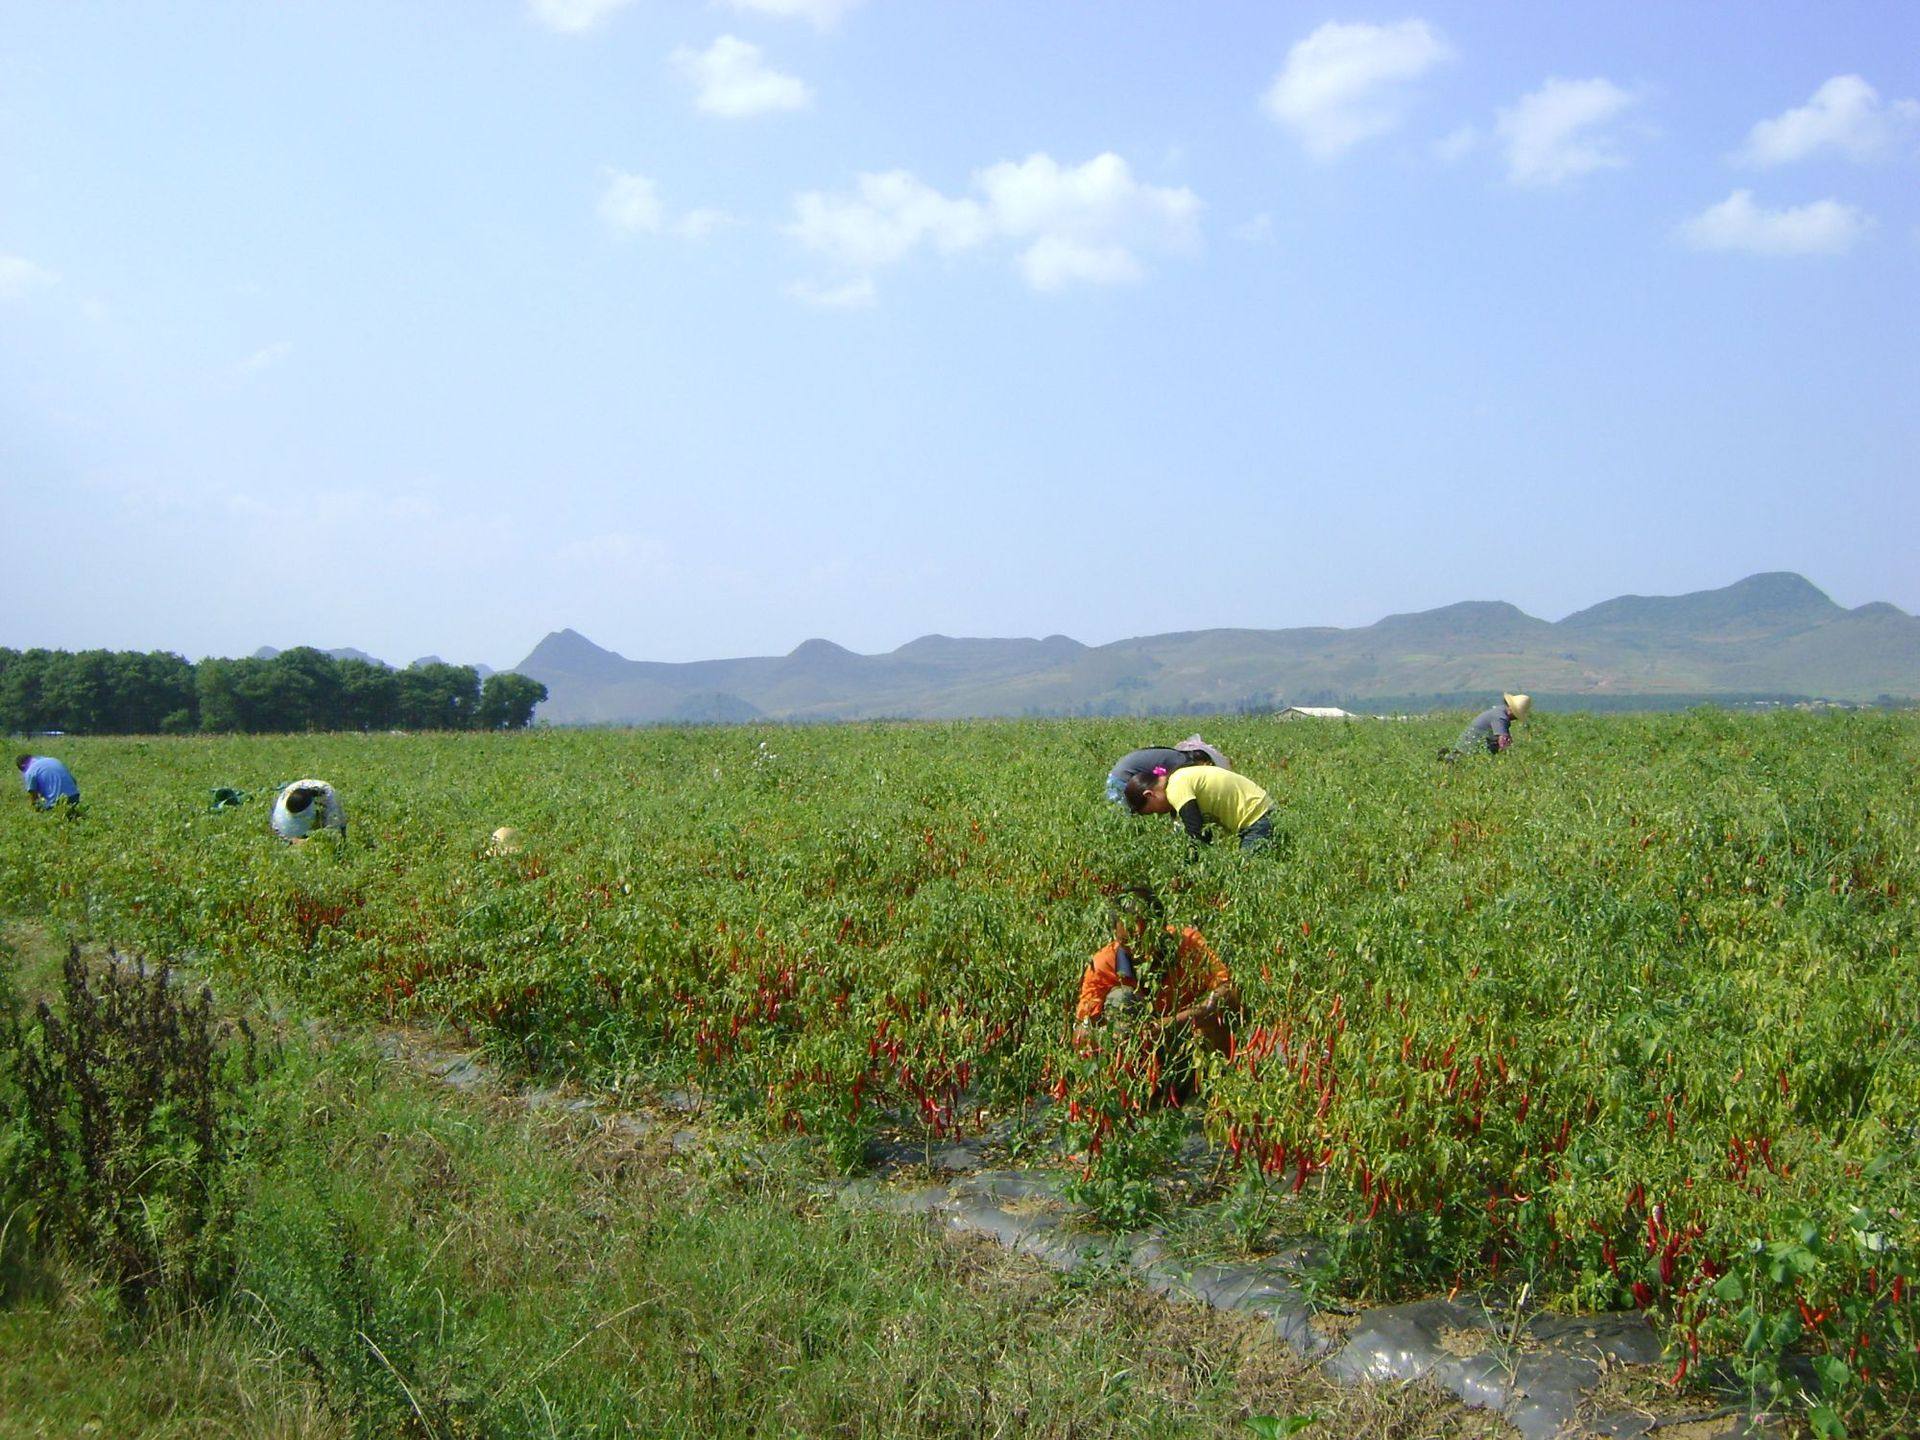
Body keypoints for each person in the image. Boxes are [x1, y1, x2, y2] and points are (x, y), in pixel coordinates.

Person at [1076, 893, 1239, 1099]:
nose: (1137, 951)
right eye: (1126, 942)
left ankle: (1210, 1088)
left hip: (1185, 1043)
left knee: (1219, 1010)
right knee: (1121, 998)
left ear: (1161, 928)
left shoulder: (1187, 944)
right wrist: (1116, 1037)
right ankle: (1133, 1093)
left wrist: (1176, 1022)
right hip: (1138, 1055)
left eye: (1143, 939)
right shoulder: (1102, 964)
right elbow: (1082, 1031)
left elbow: (1229, 992)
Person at [1124, 763, 1275, 851]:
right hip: (1261, 811)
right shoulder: (1178, 777)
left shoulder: (1176, 788)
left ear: (1149, 795)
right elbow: (1204, 832)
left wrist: (1189, 869)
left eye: (1152, 810)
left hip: (1257, 817)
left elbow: (1196, 831)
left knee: (1247, 871)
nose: (1158, 813)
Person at [1104, 735, 1231, 804]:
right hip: (1123, 780)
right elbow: (1173, 786)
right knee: (1125, 816)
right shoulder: (1180, 762)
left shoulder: (1175, 757)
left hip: (1118, 776)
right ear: (1201, 761)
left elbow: (1157, 774)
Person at [1440, 693, 1532, 762]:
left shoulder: (1498, 711)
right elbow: (1504, 742)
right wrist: (1513, 759)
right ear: (1512, 710)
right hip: (1471, 751)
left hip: (1466, 747)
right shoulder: (1500, 717)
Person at [271, 779, 347, 842]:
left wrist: (313, 840)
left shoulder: (329, 798)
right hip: (295, 789)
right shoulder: (283, 799)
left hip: (322, 799)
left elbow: (334, 829)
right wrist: (292, 840)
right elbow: (278, 827)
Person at [16, 753, 80, 812]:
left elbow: (34, 799)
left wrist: (36, 811)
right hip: (74, 796)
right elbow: (74, 781)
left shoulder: (30, 771)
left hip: (57, 802)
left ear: (23, 766)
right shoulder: (53, 760)